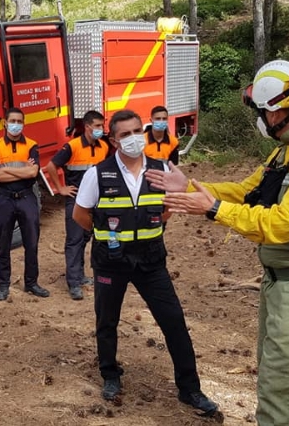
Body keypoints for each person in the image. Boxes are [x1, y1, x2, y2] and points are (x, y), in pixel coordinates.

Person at [147, 60, 289, 426]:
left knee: (282, 396)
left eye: (261, 111)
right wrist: (193, 188)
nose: (260, 119)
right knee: (274, 379)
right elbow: (249, 192)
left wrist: (213, 209)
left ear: (277, 109)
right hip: (284, 282)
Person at [72, 109, 218, 415]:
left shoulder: (161, 169)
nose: (133, 138)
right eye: (125, 134)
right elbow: (81, 215)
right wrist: (108, 236)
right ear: (113, 140)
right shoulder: (96, 174)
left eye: (137, 131)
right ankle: (111, 375)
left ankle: (190, 389)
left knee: (174, 322)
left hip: (151, 261)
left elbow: (168, 209)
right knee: (106, 321)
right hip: (111, 261)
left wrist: (149, 230)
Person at [45, 110, 109, 300]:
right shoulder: (72, 146)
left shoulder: (103, 147)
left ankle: (80, 276)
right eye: (97, 126)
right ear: (87, 126)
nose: (101, 129)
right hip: (76, 200)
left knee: (85, 238)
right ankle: (73, 283)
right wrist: (61, 188)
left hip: (95, 201)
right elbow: (50, 166)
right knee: (74, 240)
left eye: (102, 125)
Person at [0, 107, 49, 301]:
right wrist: (21, 170)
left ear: (24, 123)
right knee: (3, 243)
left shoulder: (32, 145)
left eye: (19, 121)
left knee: (31, 243)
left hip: (26, 197)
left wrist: (7, 171)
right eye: (12, 121)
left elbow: (33, 173)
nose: (16, 125)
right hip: (5, 198)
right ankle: (3, 285)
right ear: (5, 123)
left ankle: (31, 283)